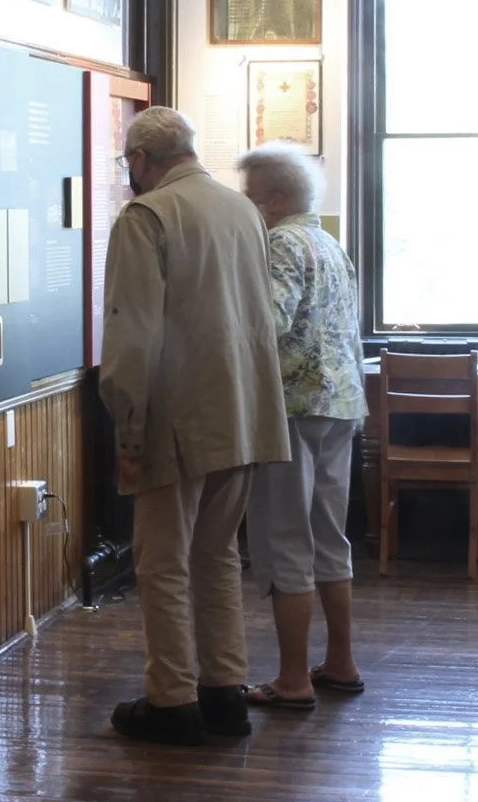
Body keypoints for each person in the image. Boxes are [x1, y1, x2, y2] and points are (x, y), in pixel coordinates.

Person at [100, 107, 290, 745]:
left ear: (140, 160)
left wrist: (128, 429)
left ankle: (173, 699)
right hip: (243, 413)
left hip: (175, 416)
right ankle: (225, 692)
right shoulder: (243, 211)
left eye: (128, 163)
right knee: (218, 554)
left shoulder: (146, 217)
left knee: (162, 563)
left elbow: (132, 337)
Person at [235, 143, 367, 708]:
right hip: (341, 405)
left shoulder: (281, 244)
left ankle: (292, 680)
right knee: (329, 539)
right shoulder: (331, 244)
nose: (247, 209)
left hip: (290, 410)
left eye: (251, 199)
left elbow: (267, 321)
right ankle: (340, 661)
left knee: (285, 539)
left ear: (276, 199)